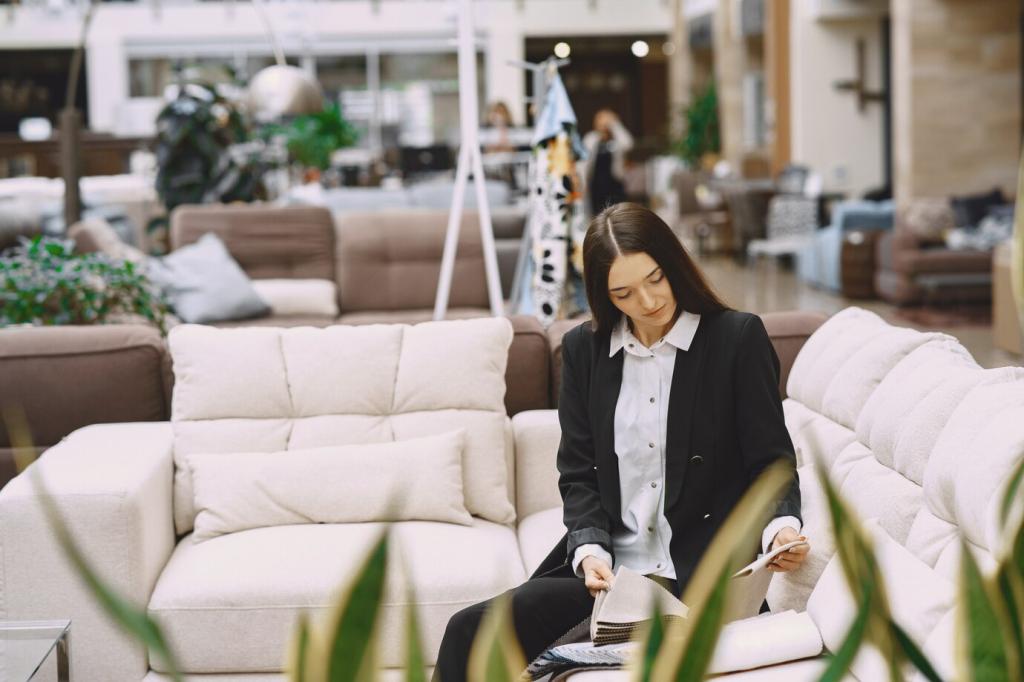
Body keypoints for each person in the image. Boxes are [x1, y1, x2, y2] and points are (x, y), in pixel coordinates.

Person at [434, 203, 809, 682]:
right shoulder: (584, 350)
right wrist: (590, 551)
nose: (648, 301)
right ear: (603, 295)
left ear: (674, 264)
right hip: (612, 577)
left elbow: (771, 461)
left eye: (655, 279)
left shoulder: (736, 338)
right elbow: (578, 472)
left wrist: (780, 529)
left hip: (703, 576)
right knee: (469, 630)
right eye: (624, 293)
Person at [582, 109, 634, 216]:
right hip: (596, 186)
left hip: (615, 184)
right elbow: (584, 163)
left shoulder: (617, 140)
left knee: (618, 214)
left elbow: (628, 144)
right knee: (598, 214)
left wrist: (615, 125)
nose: (604, 125)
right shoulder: (591, 139)